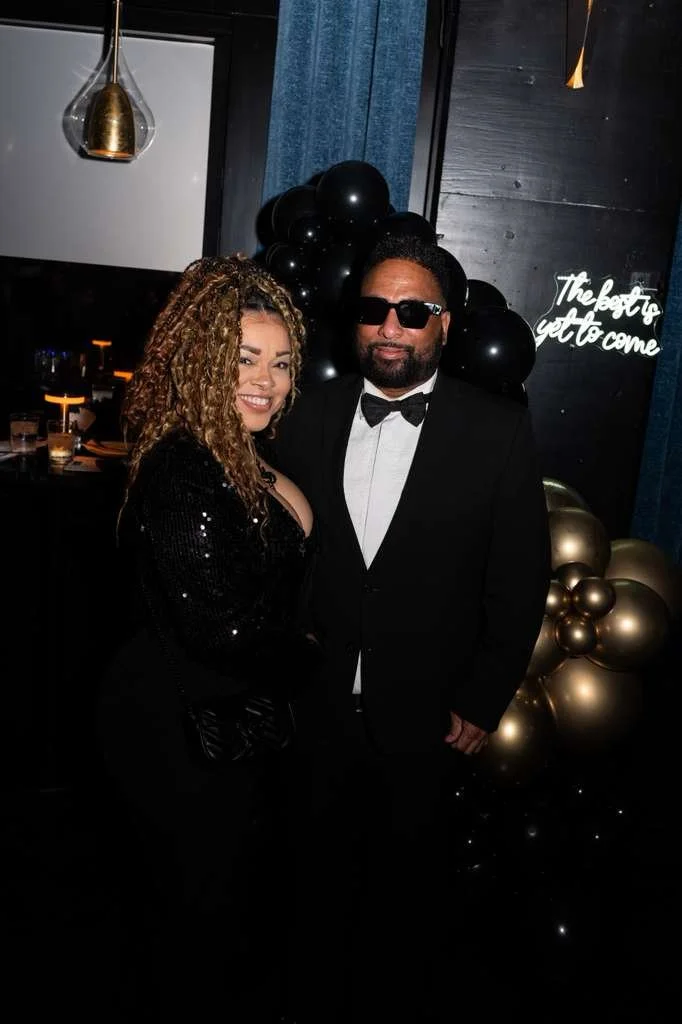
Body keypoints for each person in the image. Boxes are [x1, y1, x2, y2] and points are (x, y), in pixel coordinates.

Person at [275, 233, 551, 1022]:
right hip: (314, 714)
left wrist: (485, 698)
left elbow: (519, 580)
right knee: (308, 904)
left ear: (445, 326)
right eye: (373, 309)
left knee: (404, 917)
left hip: (429, 724)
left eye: (412, 311)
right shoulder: (306, 416)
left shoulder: (496, 433)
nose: (389, 326)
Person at [95, 254, 315, 1021]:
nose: (267, 379)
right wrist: (326, 656)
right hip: (179, 726)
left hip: (222, 717)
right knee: (195, 919)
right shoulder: (184, 465)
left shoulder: (237, 448)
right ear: (202, 360)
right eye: (244, 359)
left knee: (218, 912)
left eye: (282, 363)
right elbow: (224, 627)